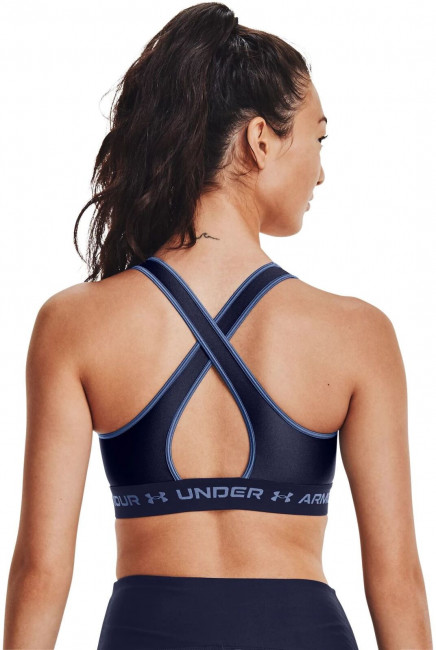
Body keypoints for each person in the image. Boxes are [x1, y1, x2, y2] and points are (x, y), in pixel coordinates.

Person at [3, 3, 432, 649]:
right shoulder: (357, 333)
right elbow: (396, 581)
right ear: (261, 139)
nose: (321, 170)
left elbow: (41, 571)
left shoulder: (74, 322)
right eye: (317, 139)